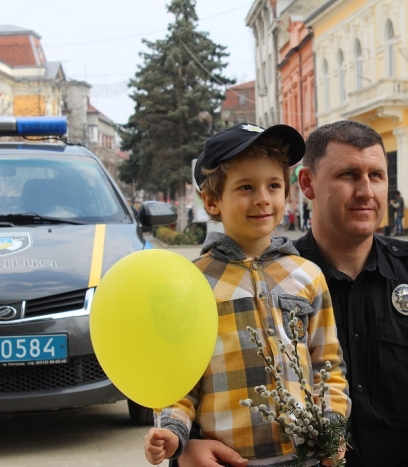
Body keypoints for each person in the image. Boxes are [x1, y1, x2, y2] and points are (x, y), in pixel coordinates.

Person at [177, 120, 408, 467]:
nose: (366, 191)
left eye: (376, 175)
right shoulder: (274, 281)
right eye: (348, 175)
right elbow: (204, 376)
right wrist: (187, 446)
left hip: (406, 457)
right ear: (307, 184)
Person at [143, 123, 351, 466]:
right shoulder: (191, 283)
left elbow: (327, 364)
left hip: (305, 458)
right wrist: (172, 432)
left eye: (273, 185)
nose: (262, 198)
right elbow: (180, 383)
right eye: (245, 187)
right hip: (227, 459)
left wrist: (333, 428)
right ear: (212, 200)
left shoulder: (307, 275)